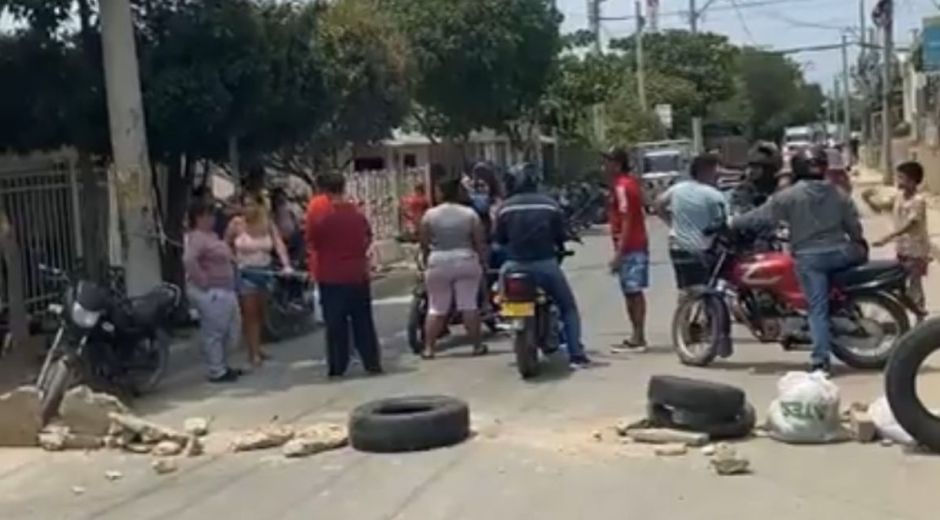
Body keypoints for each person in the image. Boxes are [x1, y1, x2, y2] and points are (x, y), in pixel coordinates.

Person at [734, 147, 866, 376]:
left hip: (810, 258)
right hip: (842, 254)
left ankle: (820, 361)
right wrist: (858, 243)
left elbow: (761, 217)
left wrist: (734, 223)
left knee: (817, 309)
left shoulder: (789, 196)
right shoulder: (839, 194)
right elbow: (854, 227)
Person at [495, 163, 591, 368]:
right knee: (568, 308)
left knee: (500, 295)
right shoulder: (549, 204)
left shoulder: (504, 207)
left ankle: (503, 317)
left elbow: (499, 239)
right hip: (545, 264)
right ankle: (576, 355)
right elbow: (560, 236)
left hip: (514, 265)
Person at [307, 173, 383, 377]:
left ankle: (337, 365)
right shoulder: (356, 213)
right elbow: (367, 237)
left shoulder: (323, 216)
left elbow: (313, 241)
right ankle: (371, 361)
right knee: (363, 320)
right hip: (357, 273)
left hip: (330, 274)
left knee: (335, 322)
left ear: (324, 190)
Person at [419, 176, 489, 359]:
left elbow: (424, 243)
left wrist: (427, 262)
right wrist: (482, 261)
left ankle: (429, 348)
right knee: (469, 304)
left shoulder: (430, 215)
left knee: (436, 307)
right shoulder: (469, 214)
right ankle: (477, 346)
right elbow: (479, 241)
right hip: (465, 259)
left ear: (440, 193)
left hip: (439, 261)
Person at [226, 190, 292, 368]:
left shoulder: (268, 224)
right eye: (244, 205)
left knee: (262, 313)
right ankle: (253, 353)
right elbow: (225, 245)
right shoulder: (236, 224)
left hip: (265, 272)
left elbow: (279, 245)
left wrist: (286, 265)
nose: (247, 209)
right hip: (245, 273)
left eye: (250, 204)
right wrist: (234, 260)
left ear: (258, 206)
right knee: (250, 314)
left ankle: (258, 347)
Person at [861, 161, 931, 319]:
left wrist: (888, 238)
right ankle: (911, 313)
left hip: (916, 250)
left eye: (902, 178)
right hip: (903, 249)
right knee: (902, 283)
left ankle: (920, 316)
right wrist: (868, 199)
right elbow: (881, 208)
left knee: (915, 284)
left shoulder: (918, 201)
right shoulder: (898, 196)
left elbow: (911, 225)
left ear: (913, 181)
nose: (898, 181)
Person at [184, 200, 243, 383]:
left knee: (232, 330)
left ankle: (223, 364)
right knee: (215, 331)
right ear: (199, 218)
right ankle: (216, 369)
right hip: (212, 291)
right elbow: (189, 260)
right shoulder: (197, 238)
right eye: (208, 215)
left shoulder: (212, 236)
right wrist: (203, 281)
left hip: (226, 288)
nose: (212, 219)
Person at [655, 153, 728, 291]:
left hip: (677, 248)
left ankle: (684, 311)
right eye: (716, 169)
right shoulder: (714, 195)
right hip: (701, 250)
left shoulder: (678, 188)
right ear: (706, 170)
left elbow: (659, 204)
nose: (719, 173)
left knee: (685, 292)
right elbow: (725, 222)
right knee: (709, 289)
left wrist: (671, 222)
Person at [604, 147, 649, 352]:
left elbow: (627, 220)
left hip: (632, 246)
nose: (604, 166)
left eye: (608, 162)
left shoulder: (623, 186)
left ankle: (638, 336)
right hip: (631, 246)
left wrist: (619, 254)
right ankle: (636, 334)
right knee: (630, 293)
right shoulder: (622, 185)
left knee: (633, 292)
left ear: (618, 163)